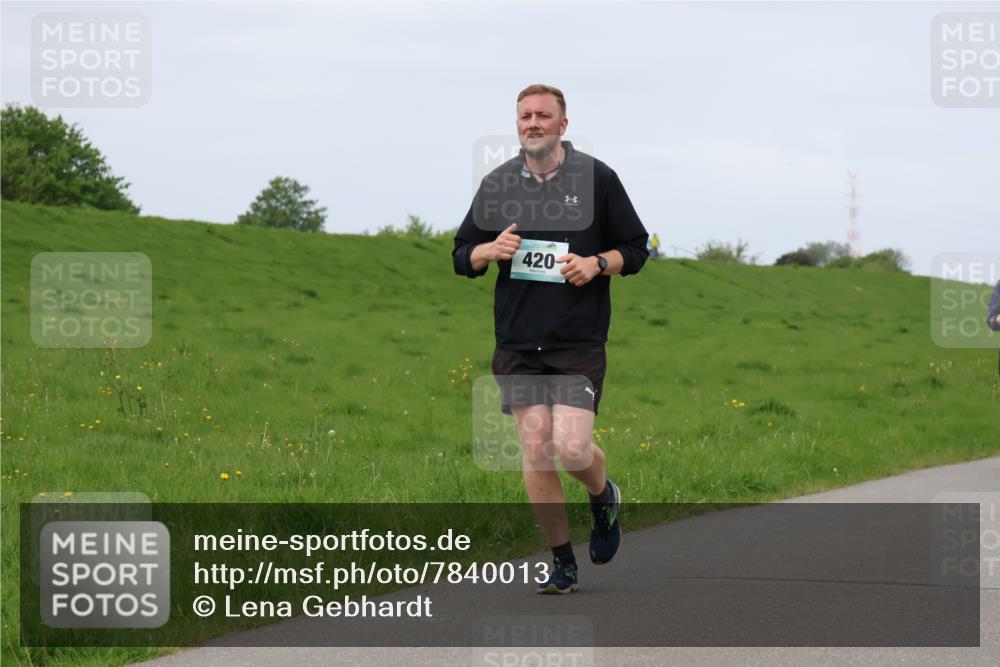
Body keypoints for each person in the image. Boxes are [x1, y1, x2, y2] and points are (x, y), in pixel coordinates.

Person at [452, 84, 649, 594]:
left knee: (571, 446)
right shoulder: (498, 184)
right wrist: (489, 250)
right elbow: (461, 255)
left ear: (563, 125)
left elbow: (635, 247)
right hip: (517, 342)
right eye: (524, 116)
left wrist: (597, 263)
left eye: (543, 115)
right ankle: (562, 561)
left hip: (576, 342)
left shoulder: (597, 179)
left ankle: (603, 495)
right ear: (516, 124)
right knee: (536, 449)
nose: (532, 123)